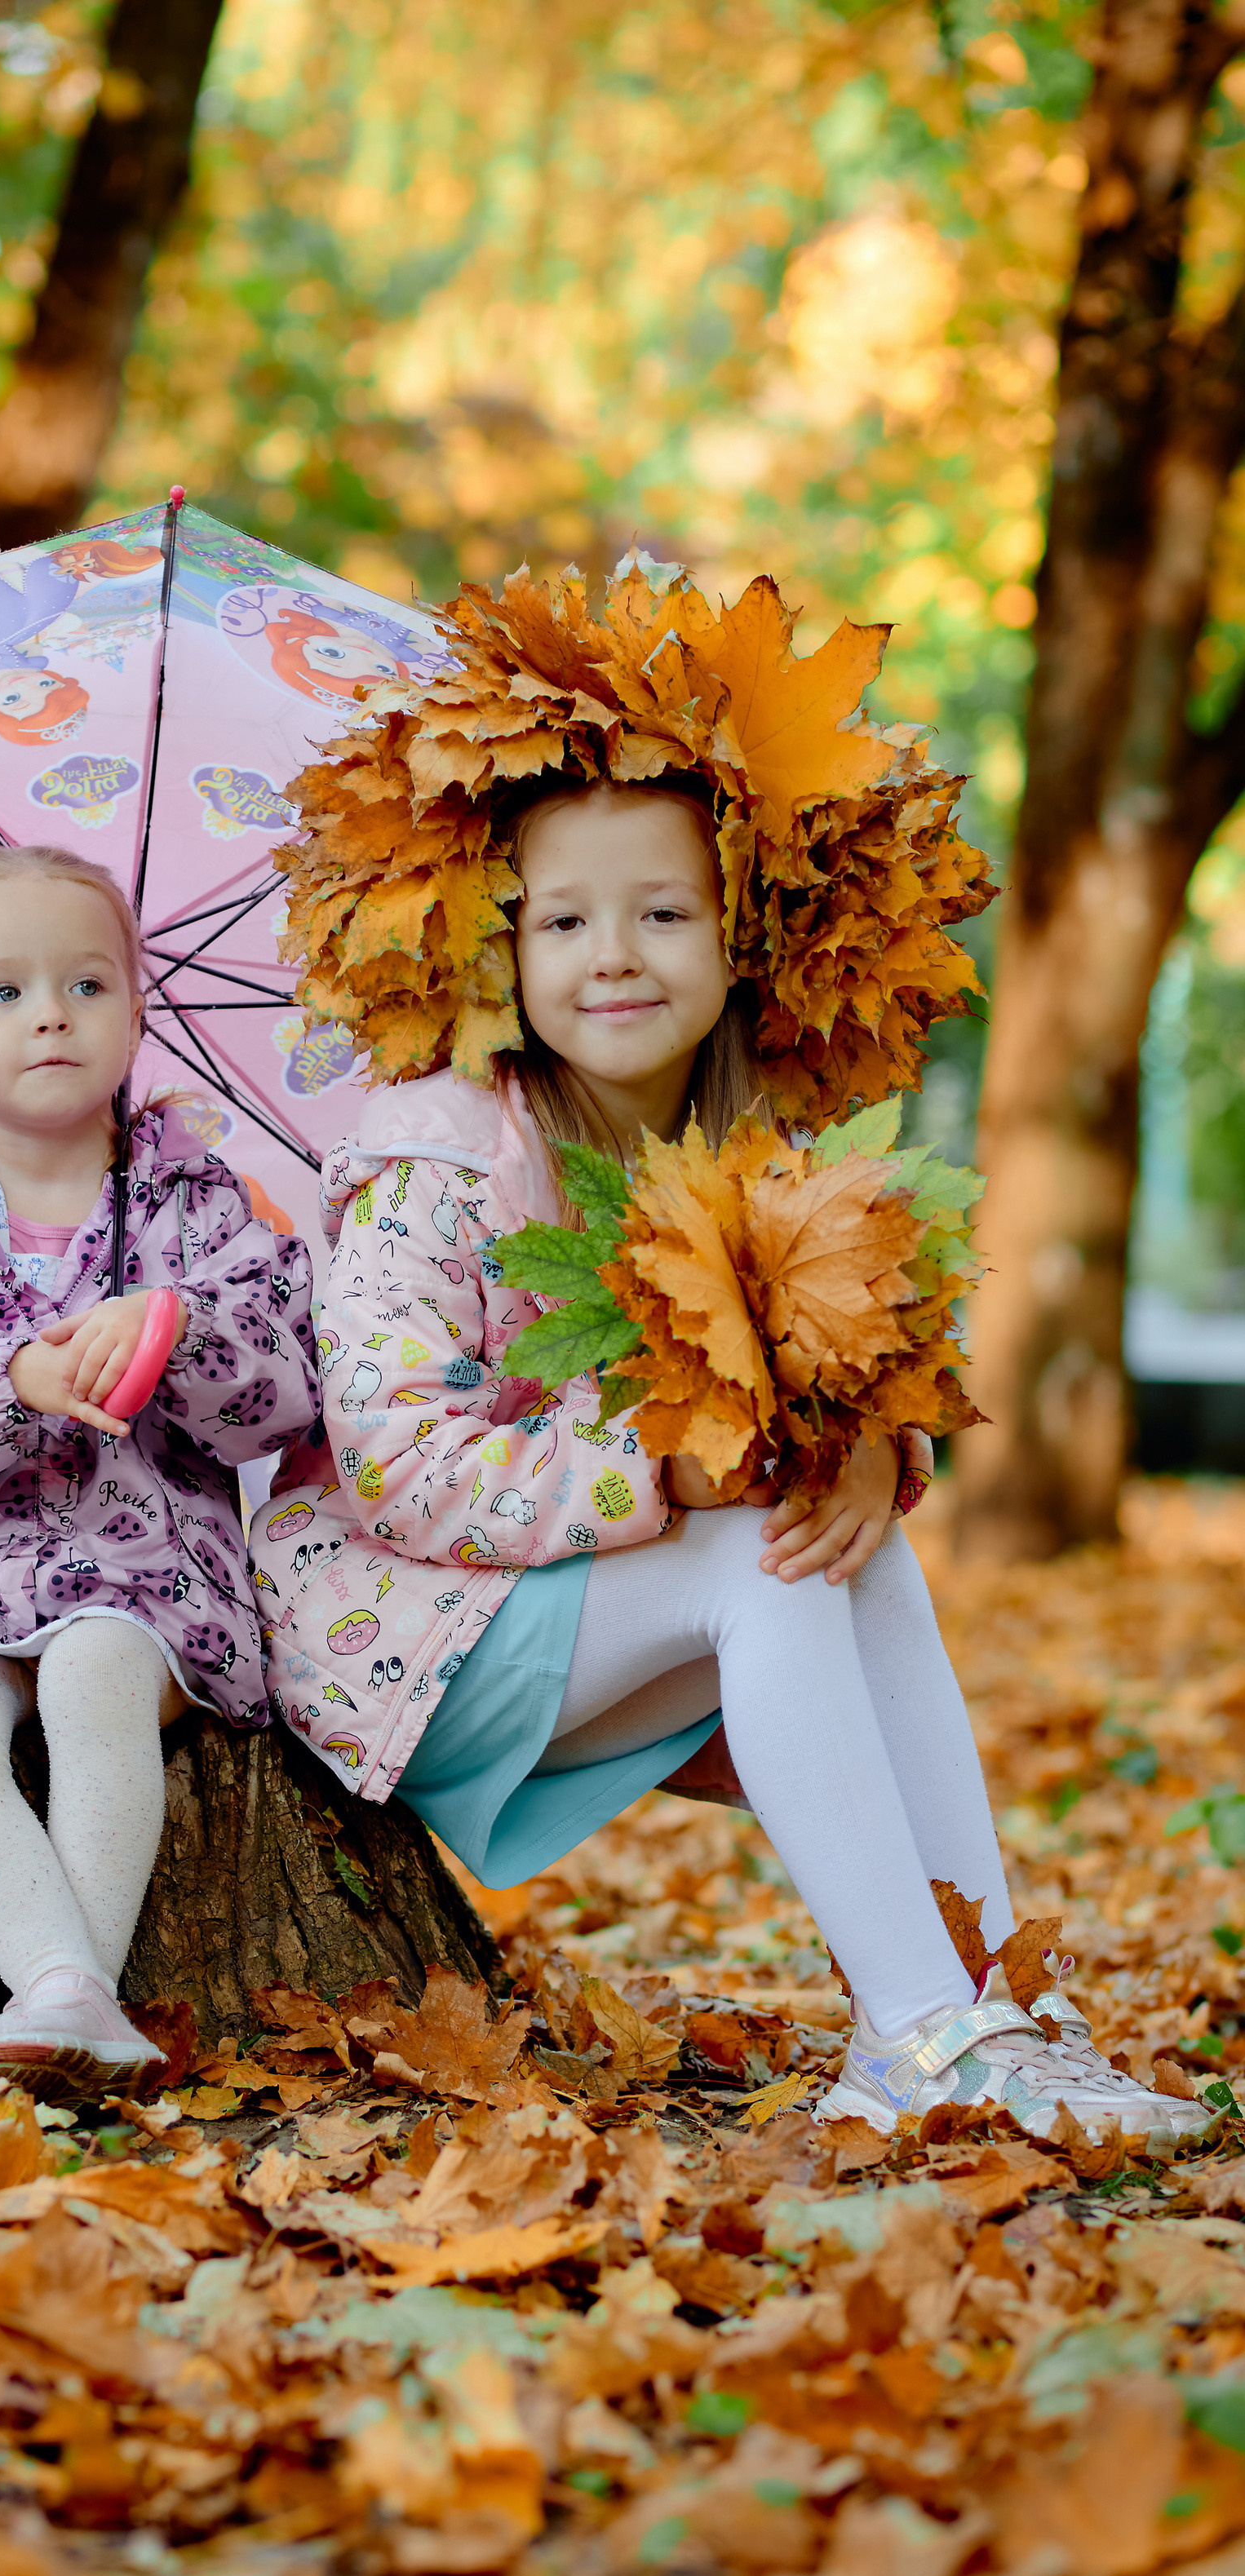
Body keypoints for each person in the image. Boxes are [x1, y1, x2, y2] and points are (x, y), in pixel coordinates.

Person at [259, 557, 1209, 2149]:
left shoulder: (744, 1149)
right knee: (754, 1565)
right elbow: (398, 1460)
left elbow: (821, 1370)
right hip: (391, 1627)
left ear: (740, 931)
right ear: (500, 946)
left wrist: (858, 1450)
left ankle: (983, 1997)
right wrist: (661, 1464)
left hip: (589, 1603)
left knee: (845, 1559)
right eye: (561, 918)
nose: (611, 953)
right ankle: (917, 2041)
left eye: (661, 911)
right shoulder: (439, 1148)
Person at [0, 843, 319, 2100]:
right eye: (5, 993)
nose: (51, 1012)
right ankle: (66, 1990)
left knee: (95, 1674)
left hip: (143, 1562)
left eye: (88, 985)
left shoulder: (194, 1202)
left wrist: (176, 1327)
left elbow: (288, 1382)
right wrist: (9, 1377)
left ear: (138, 1012)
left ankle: (63, 1999)